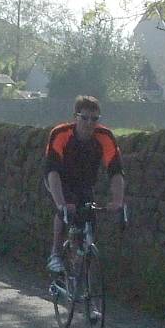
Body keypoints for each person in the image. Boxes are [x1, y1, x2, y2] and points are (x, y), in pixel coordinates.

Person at [44, 95, 125, 274]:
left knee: (88, 218)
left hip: (85, 183)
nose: (90, 123)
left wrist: (118, 201)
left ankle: (80, 263)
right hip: (59, 179)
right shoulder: (61, 134)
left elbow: (116, 172)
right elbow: (53, 171)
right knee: (65, 210)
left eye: (95, 119)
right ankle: (55, 254)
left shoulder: (105, 136)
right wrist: (60, 203)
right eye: (85, 118)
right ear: (76, 116)